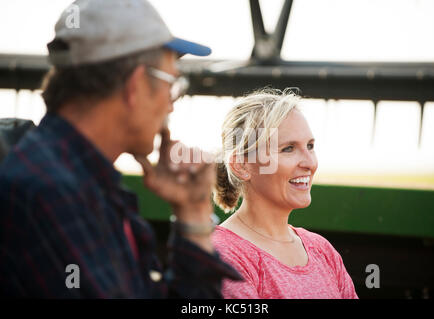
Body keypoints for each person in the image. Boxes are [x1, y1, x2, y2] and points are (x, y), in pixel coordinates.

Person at [0, 0, 240, 298]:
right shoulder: (52, 192)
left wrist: (193, 212)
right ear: (136, 85)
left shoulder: (83, 184)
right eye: (173, 84)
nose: (171, 104)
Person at [212, 89, 358, 299]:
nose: (309, 163)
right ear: (242, 165)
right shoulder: (224, 255)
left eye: (310, 146)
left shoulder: (321, 249)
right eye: (288, 149)